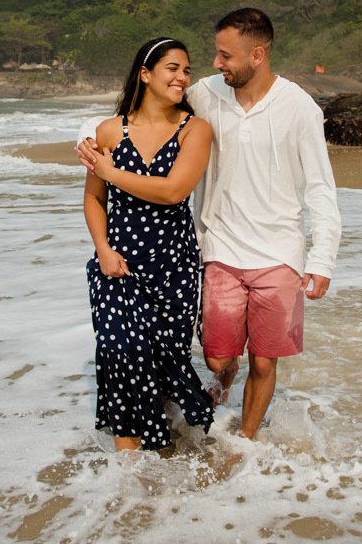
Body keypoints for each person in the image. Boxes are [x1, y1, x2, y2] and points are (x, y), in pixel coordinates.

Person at [79, 8, 340, 440]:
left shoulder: (300, 109)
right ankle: (216, 395)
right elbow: (144, 107)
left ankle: (244, 442)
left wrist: (323, 258)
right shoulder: (207, 94)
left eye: (224, 56)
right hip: (217, 249)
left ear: (256, 55)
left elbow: (320, 189)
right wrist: (85, 135)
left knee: (264, 359)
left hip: (280, 253)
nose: (215, 64)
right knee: (219, 358)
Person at [82, 37, 215, 451]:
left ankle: (166, 441)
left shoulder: (195, 129)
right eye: (172, 68)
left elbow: (173, 191)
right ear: (145, 73)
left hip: (173, 266)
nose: (182, 77)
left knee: (164, 357)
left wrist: (110, 169)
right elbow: (94, 198)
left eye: (187, 70)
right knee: (122, 353)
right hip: (118, 263)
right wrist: (103, 249)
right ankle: (128, 471)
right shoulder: (109, 131)